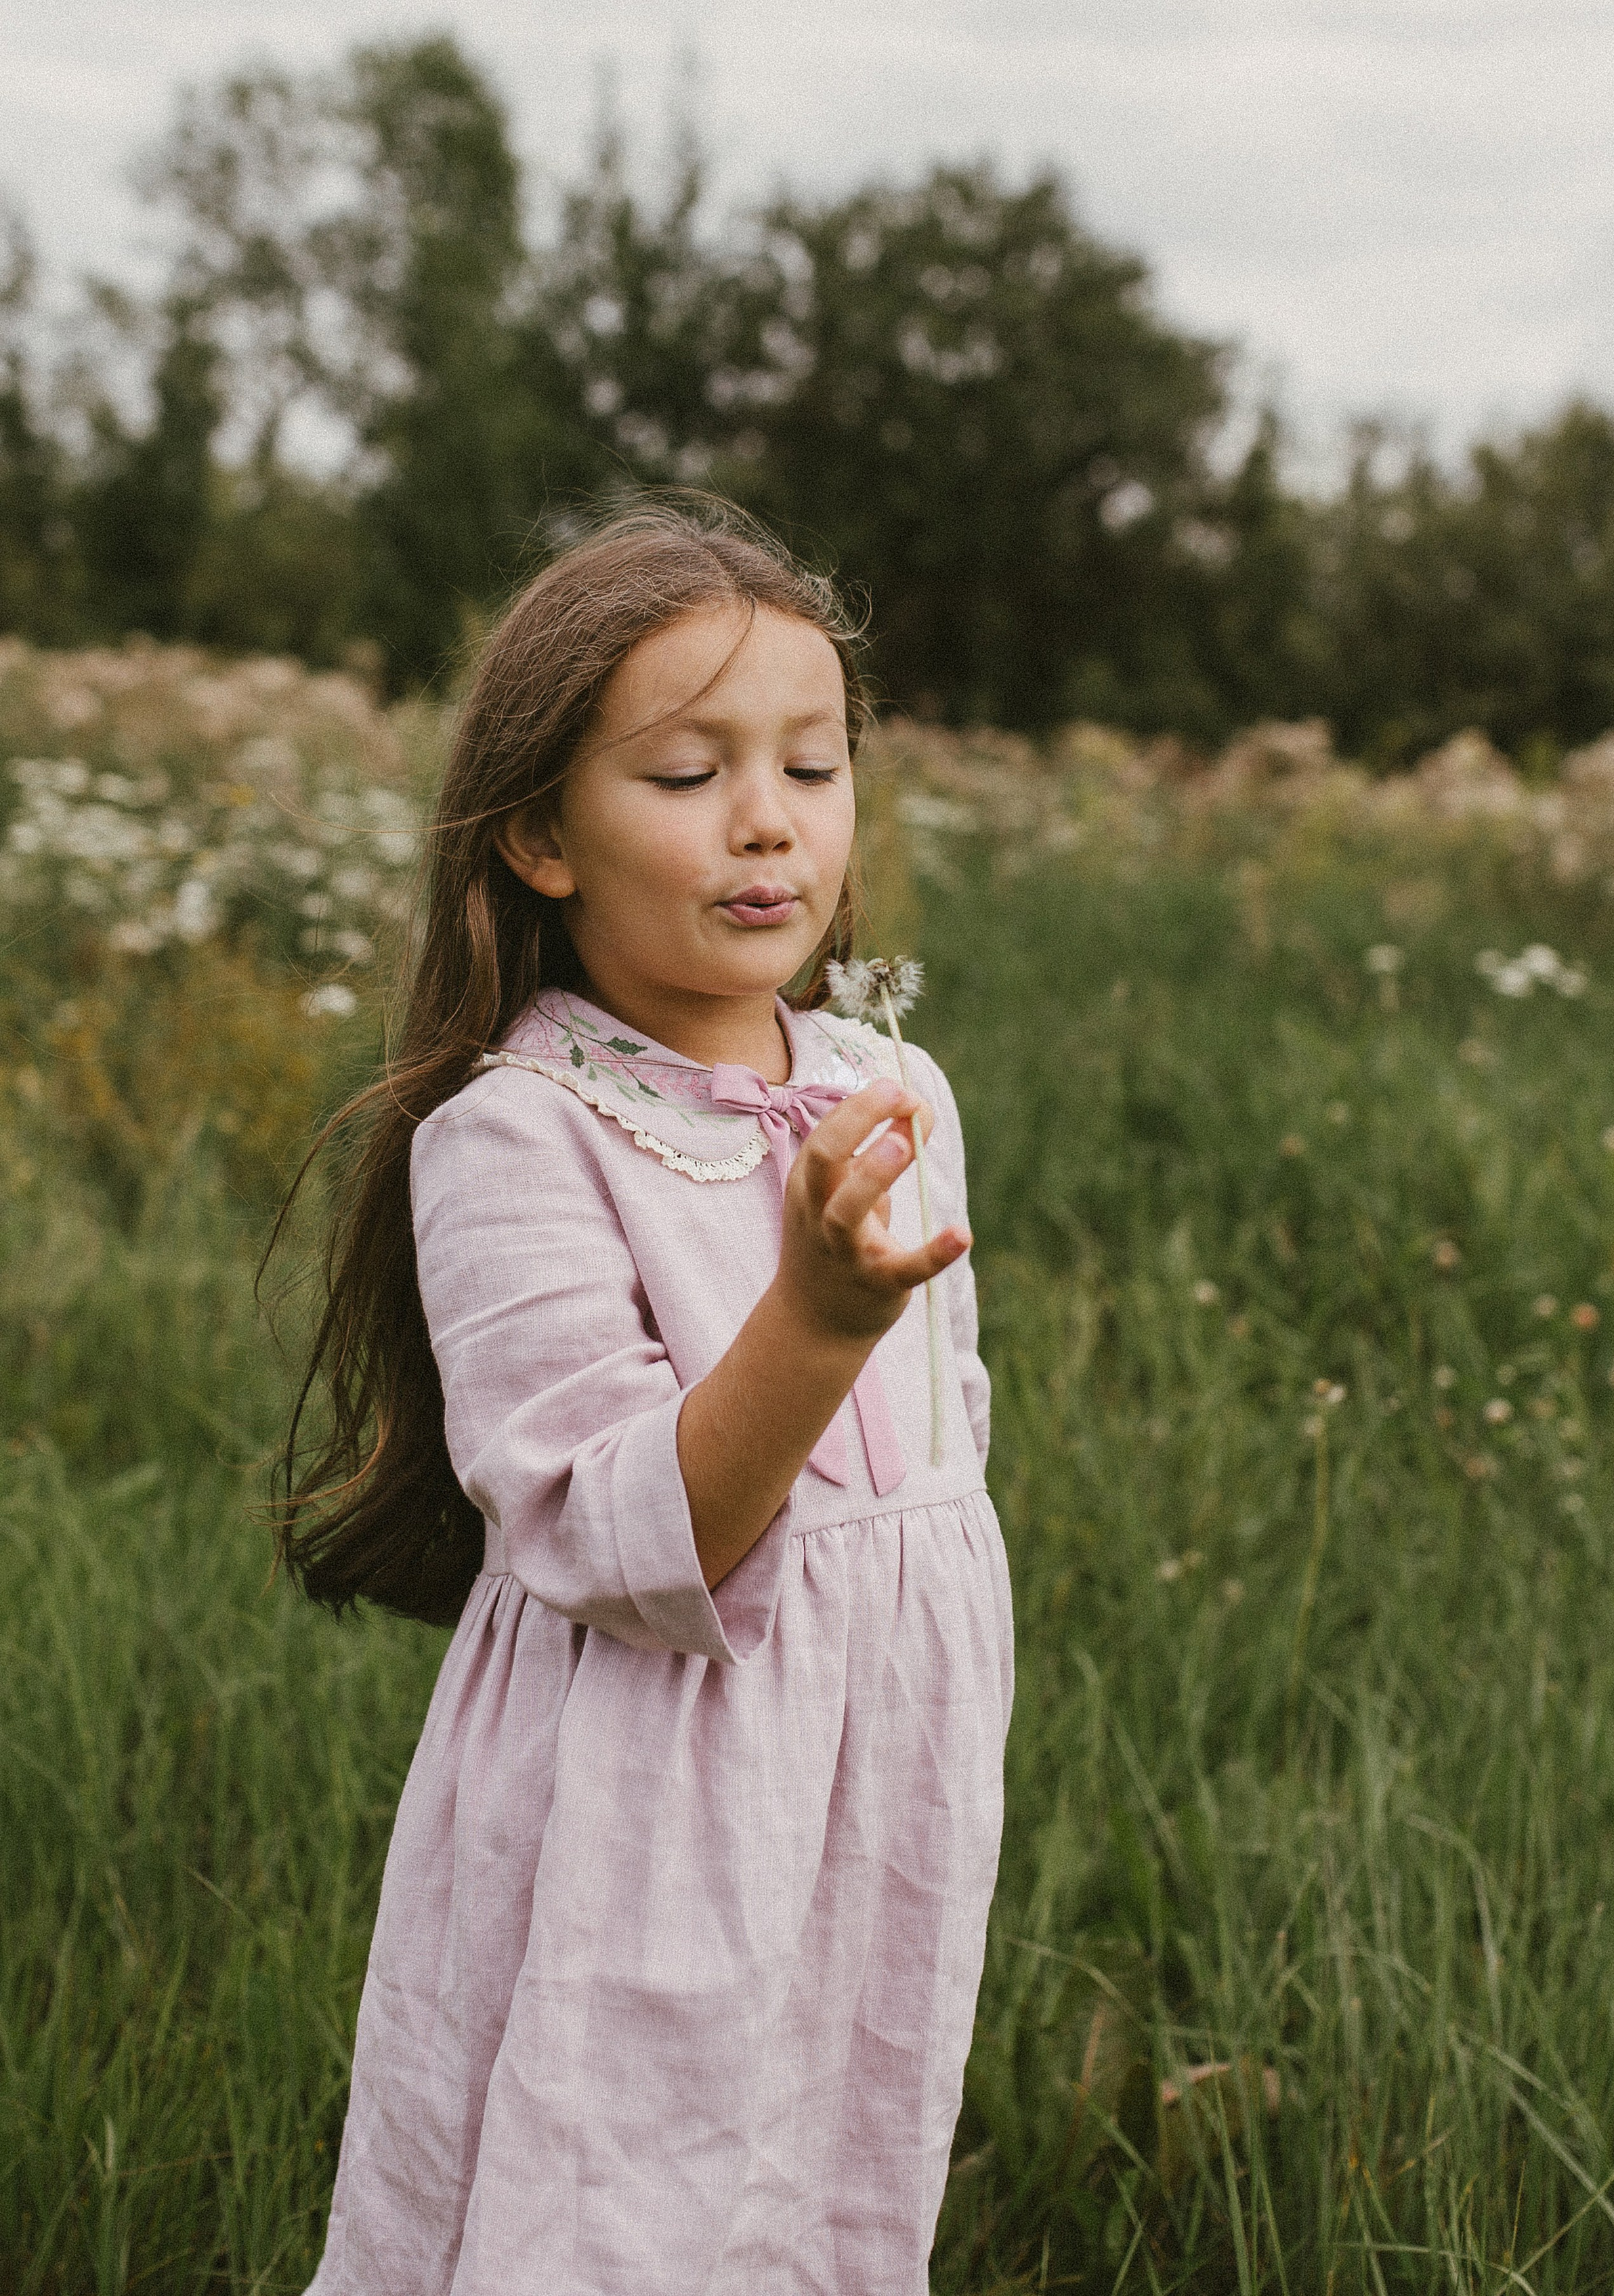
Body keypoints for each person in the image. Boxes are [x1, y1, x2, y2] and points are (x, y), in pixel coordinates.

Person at [281, 498, 1014, 2295]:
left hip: (877, 1756)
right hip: (646, 1780)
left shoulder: (887, 1079)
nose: (769, 820)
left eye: (812, 766)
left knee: (828, 2155)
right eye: (688, 774)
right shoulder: (516, 1139)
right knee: (614, 2184)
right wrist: (817, 1315)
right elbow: (631, 1537)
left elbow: (946, 1444)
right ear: (540, 832)